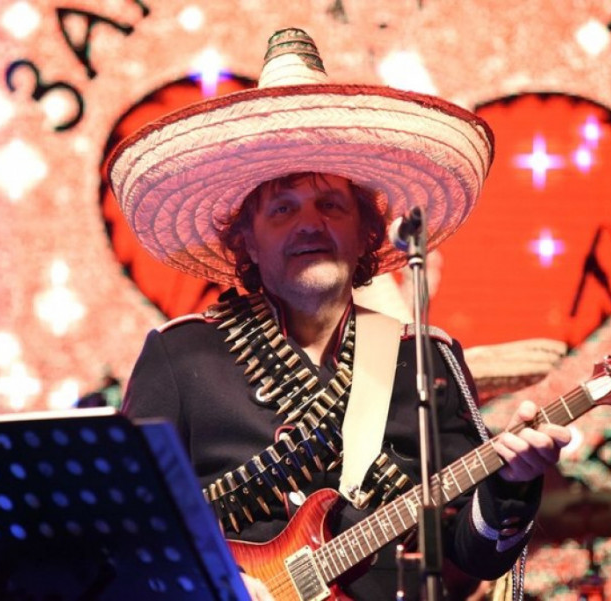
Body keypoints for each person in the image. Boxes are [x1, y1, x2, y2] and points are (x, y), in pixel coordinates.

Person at [107, 28, 571, 601]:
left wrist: (513, 486)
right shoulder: (180, 357)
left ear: (366, 233)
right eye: (282, 209)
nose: (310, 223)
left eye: (331, 204)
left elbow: (475, 556)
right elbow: (123, 533)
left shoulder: (426, 360)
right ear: (247, 241)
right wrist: (222, 585)